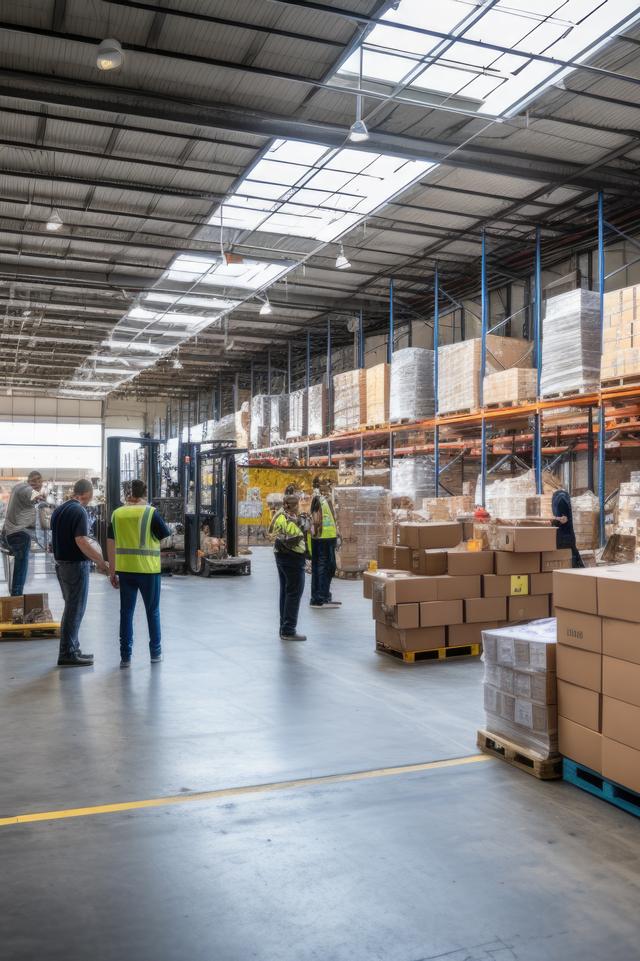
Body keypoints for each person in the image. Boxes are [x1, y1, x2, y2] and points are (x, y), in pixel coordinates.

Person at [107, 479, 171, 668]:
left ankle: (125, 657)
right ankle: (155, 653)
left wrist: (112, 570)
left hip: (125, 570)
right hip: (148, 570)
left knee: (126, 613)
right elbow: (165, 537)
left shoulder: (117, 514)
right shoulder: (150, 513)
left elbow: (110, 543)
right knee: (153, 612)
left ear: (129, 494)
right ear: (145, 494)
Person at [51, 479, 109, 667]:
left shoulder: (60, 510)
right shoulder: (79, 511)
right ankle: (67, 653)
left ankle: (73, 648)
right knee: (75, 609)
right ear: (88, 493)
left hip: (61, 564)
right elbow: (82, 541)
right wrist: (101, 562)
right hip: (74, 566)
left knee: (71, 607)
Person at [269, 492, 308, 641]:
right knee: (294, 592)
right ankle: (288, 629)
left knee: (285, 592)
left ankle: (283, 626)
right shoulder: (288, 520)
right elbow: (297, 538)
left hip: (281, 556)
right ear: (294, 506)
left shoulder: (280, 516)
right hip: (293, 558)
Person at [2, 470, 45, 595]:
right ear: (29, 480)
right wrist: (40, 497)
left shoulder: (18, 487)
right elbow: (32, 495)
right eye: (34, 480)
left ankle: (15, 599)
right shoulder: (26, 489)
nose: (37, 484)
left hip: (10, 533)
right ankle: (16, 601)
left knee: (18, 568)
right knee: (21, 569)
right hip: (20, 534)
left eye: (40, 481)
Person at [309, 475, 340, 609]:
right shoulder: (320, 499)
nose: (330, 486)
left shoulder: (320, 499)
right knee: (325, 567)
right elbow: (319, 519)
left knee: (322, 567)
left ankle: (321, 596)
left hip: (323, 537)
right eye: (327, 483)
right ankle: (320, 597)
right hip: (324, 538)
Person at [552, 489, 584, 569]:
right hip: (567, 535)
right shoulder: (563, 497)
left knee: (568, 559)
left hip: (563, 537)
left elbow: (564, 519)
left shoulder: (560, 498)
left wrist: (554, 521)